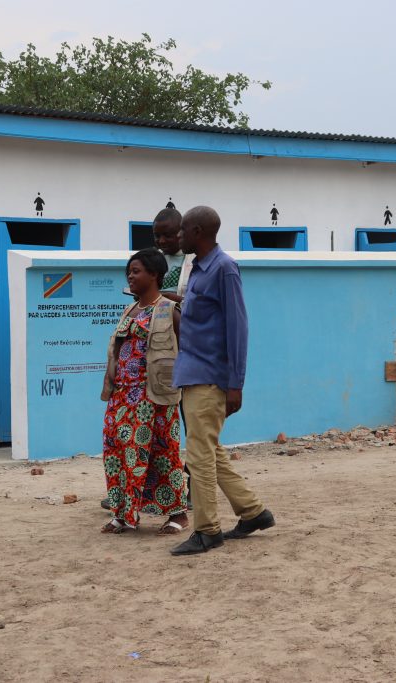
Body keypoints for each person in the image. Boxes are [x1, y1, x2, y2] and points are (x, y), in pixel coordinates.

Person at [170, 206, 275, 556]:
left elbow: (238, 327)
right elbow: (201, 317)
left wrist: (236, 384)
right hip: (192, 373)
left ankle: (207, 530)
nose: (178, 236)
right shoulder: (198, 271)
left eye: (183, 231)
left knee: (199, 456)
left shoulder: (224, 268)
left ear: (198, 231)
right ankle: (254, 512)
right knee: (210, 452)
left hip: (209, 377)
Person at [100, 249, 189, 534]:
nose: (130, 276)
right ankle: (123, 514)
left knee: (164, 454)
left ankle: (178, 514)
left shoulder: (168, 310)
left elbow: (187, 349)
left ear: (154, 274)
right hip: (123, 398)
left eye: (136, 271)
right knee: (118, 454)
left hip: (155, 397)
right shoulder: (130, 309)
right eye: (129, 271)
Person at [152, 207, 194, 306]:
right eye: (157, 236)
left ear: (181, 232)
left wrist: (177, 300)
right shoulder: (152, 260)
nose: (161, 241)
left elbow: (204, 303)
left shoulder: (197, 260)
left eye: (167, 235)